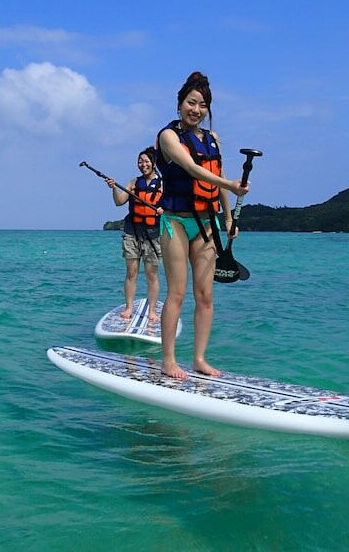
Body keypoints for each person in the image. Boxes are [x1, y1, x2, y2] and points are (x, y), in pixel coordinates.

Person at [156, 71, 249, 380]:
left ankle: (199, 359)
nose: (196, 110)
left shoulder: (213, 139)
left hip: (206, 223)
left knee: (205, 295)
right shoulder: (168, 137)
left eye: (203, 105)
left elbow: (215, 174)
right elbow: (193, 169)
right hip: (176, 223)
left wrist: (227, 217)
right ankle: (168, 360)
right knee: (178, 293)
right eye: (191, 103)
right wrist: (231, 184)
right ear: (180, 103)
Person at [104, 148, 164, 321]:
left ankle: (152, 311)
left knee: (152, 274)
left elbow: (171, 206)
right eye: (140, 161)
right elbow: (119, 202)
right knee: (131, 272)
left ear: (153, 163)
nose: (142, 165)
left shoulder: (163, 185)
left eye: (146, 161)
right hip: (132, 232)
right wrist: (114, 188)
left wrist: (163, 210)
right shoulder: (133, 183)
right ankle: (129, 308)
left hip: (153, 235)